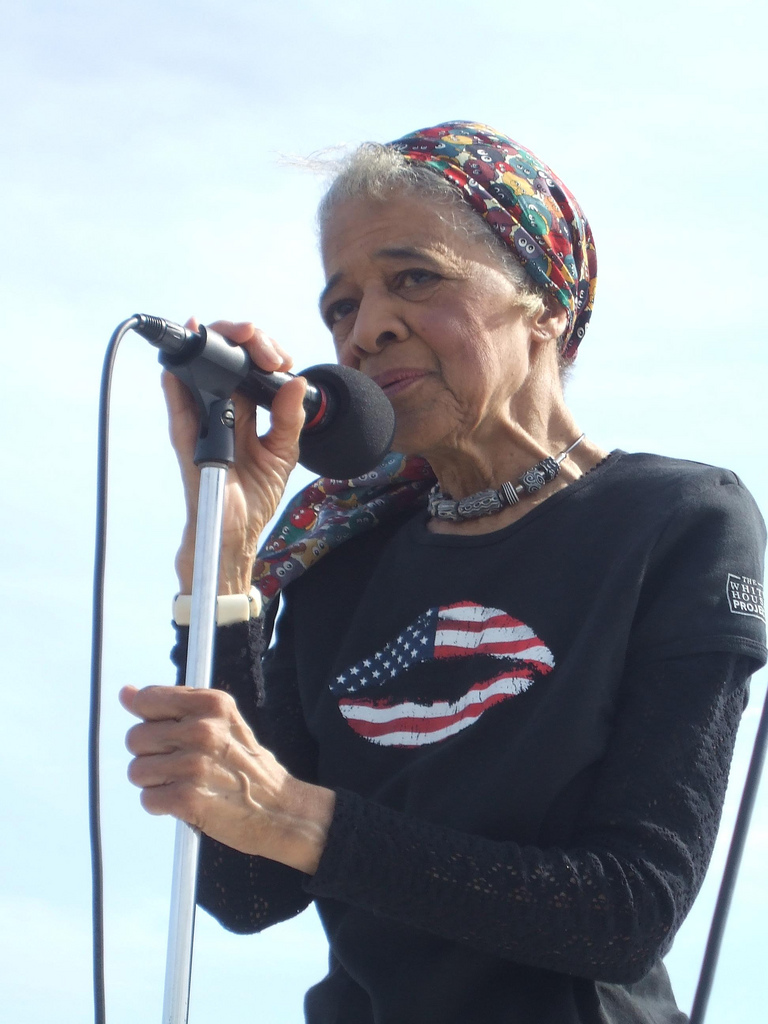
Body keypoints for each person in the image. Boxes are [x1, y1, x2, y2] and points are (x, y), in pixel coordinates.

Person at [120, 122, 767, 1023]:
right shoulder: (335, 552)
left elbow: (627, 909)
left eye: (414, 278)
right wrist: (223, 562)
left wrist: (297, 816)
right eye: (339, 306)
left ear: (545, 303)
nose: (366, 328)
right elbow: (248, 890)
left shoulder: (680, 522)